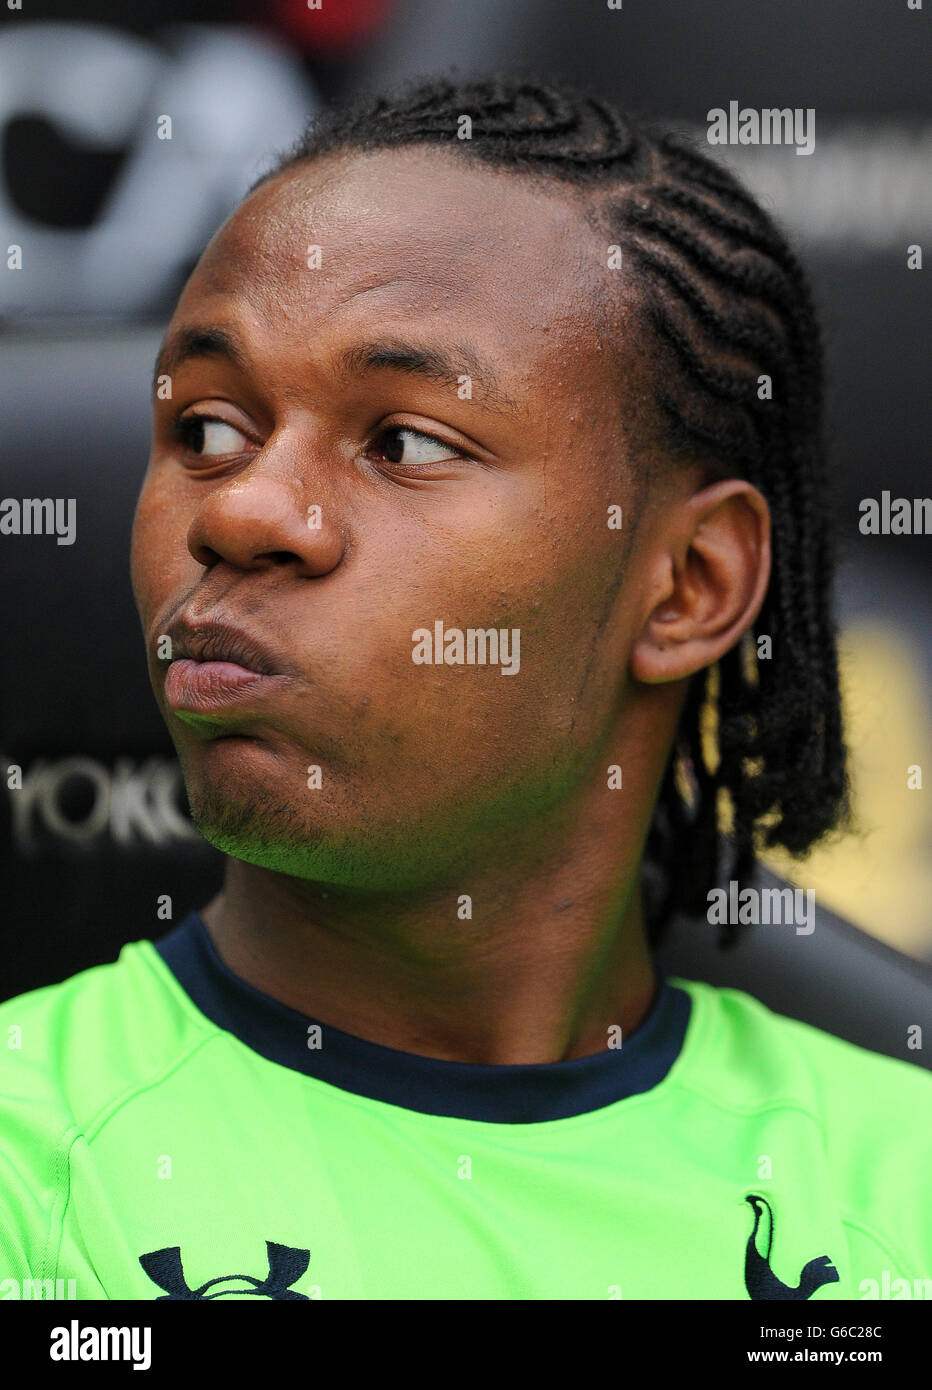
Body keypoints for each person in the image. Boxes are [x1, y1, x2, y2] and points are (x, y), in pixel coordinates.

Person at [1, 75, 928, 1302]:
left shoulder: (891, 1180)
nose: (240, 508)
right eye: (210, 428)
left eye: (403, 443)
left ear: (689, 586)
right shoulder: (33, 1160)